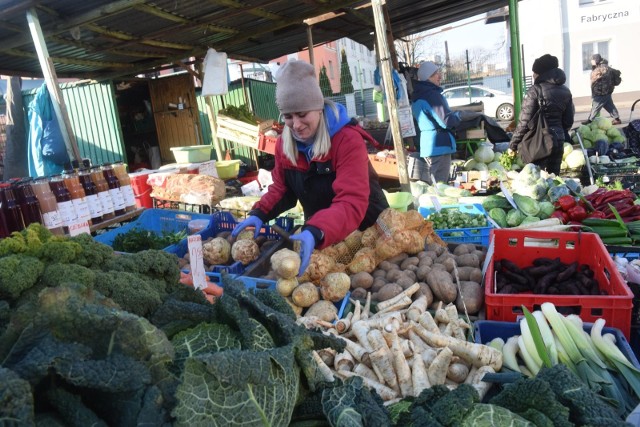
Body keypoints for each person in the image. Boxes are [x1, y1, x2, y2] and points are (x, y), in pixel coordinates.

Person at [231, 60, 388, 276]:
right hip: (319, 236)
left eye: (302, 114)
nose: (296, 124)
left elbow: (352, 202)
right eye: (288, 116)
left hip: (366, 234)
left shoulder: (347, 140)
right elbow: (282, 189)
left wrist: (316, 229)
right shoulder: (285, 145)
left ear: (318, 108)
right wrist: (260, 212)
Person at [508, 54, 574, 175]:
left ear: (541, 73)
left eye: (534, 72)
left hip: (538, 144)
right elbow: (568, 121)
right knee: (554, 181)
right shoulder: (565, 91)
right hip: (558, 141)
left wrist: (513, 145)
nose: (533, 75)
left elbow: (524, 122)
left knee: (536, 182)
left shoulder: (535, 90)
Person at [410, 61, 461, 184]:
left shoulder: (418, 94)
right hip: (439, 145)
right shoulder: (432, 95)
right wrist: (458, 116)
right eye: (436, 73)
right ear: (428, 76)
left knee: (432, 183)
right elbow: (446, 121)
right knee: (439, 185)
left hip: (428, 143)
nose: (440, 76)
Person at [583, 53, 621, 125]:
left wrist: (598, 92)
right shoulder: (600, 67)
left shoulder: (602, 68)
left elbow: (599, 79)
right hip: (606, 92)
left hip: (601, 92)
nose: (591, 61)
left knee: (596, 106)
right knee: (609, 105)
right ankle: (617, 119)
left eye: (592, 60)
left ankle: (590, 121)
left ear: (596, 60)